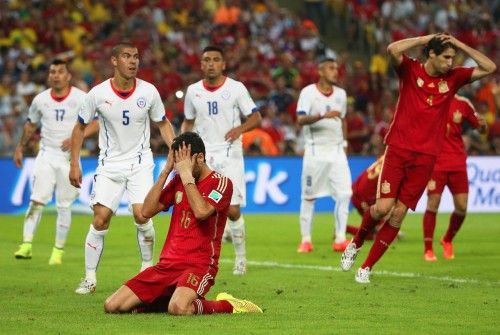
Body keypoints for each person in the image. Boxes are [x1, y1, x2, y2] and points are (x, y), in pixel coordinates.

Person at [341, 33, 496, 284]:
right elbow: (392, 49)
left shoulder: (453, 78)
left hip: (427, 157)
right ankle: (356, 242)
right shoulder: (410, 70)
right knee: (382, 209)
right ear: (431, 54)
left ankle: (367, 267)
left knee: (398, 214)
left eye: (452, 57)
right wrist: (425, 38)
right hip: (399, 149)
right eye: (446, 57)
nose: (450, 62)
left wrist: (458, 44)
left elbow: (490, 67)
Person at [104, 132, 262, 315]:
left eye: (183, 161)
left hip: (199, 265)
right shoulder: (178, 179)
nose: (180, 167)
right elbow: (145, 212)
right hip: (167, 265)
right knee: (112, 305)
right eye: (177, 162)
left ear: (200, 158)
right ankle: (169, 298)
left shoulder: (222, 183)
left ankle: (229, 305)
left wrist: (186, 174)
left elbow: (201, 212)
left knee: (179, 308)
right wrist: (165, 172)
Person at [70, 42, 175, 294]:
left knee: (142, 215)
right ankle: (89, 278)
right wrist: (74, 162)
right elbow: (80, 127)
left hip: (140, 163)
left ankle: (146, 269)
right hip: (110, 165)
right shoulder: (97, 93)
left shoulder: (149, 92)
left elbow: (163, 123)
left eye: (136, 57)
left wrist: (176, 150)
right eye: (127, 56)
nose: (133, 61)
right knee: (100, 218)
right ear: (114, 61)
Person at [181, 46, 262, 275]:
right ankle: (197, 257)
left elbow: (256, 117)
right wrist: (181, 143)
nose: (211, 64)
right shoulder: (193, 91)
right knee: (200, 208)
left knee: (233, 210)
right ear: (201, 64)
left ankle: (241, 258)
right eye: (207, 60)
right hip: (202, 157)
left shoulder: (236, 88)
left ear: (223, 64)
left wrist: (240, 128)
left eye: (216, 60)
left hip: (230, 152)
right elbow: (188, 120)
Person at [13, 59, 97, 265]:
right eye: (52, 72)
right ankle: (26, 244)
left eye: (60, 71)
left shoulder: (81, 98)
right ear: (49, 75)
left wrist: (77, 138)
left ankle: (58, 251)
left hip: (69, 158)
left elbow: (97, 123)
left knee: (63, 205)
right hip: (46, 154)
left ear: (68, 76)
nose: (56, 75)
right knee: (36, 200)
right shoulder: (40, 100)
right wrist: (20, 147)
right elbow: (30, 125)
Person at [295, 57, 352, 253]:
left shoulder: (341, 94)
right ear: (320, 71)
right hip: (315, 151)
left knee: (345, 194)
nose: (335, 71)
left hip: (337, 152)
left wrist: (344, 143)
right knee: (309, 197)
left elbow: (342, 120)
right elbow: (300, 119)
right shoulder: (308, 93)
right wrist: (321, 116)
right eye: (330, 68)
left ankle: (340, 238)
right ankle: (306, 239)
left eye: (336, 68)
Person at [422, 95, 487, 262]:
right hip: (436, 162)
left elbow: (480, 128)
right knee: (433, 203)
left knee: (462, 207)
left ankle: (447, 239)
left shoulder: (463, 103)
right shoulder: (429, 99)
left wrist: (483, 126)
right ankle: (428, 249)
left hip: (457, 161)